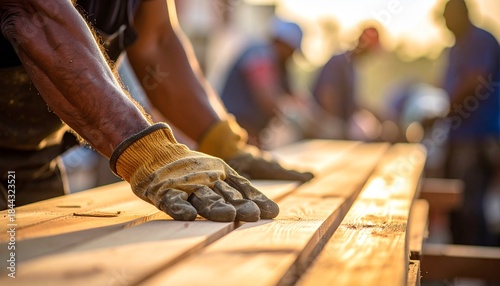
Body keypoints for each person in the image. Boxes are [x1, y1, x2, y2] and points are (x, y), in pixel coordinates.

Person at [0, 0, 313, 222]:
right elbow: (34, 14)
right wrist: (146, 150)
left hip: (35, 160)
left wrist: (221, 144)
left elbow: (158, 42)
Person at [441, 0, 500, 246]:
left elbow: (475, 80)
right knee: (460, 205)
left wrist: (444, 111)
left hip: (477, 136)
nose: (445, 23)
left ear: (462, 14)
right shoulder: (457, 46)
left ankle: (474, 271)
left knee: (470, 206)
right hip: (461, 135)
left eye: (448, 17)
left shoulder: (479, 40)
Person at [219, 17, 312, 147]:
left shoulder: (280, 66)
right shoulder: (259, 54)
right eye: (291, 51)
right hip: (235, 130)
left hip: (252, 133)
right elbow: (267, 98)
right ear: (282, 43)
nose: (292, 56)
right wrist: (297, 119)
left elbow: (294, 96)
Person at [312, 26, 382, 141]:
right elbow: (327, 96)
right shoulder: (339, 62)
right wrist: (339, 128)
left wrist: (378, 116)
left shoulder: (351, 67)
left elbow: (353, 103)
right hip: (324, 122)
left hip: (340, 124)